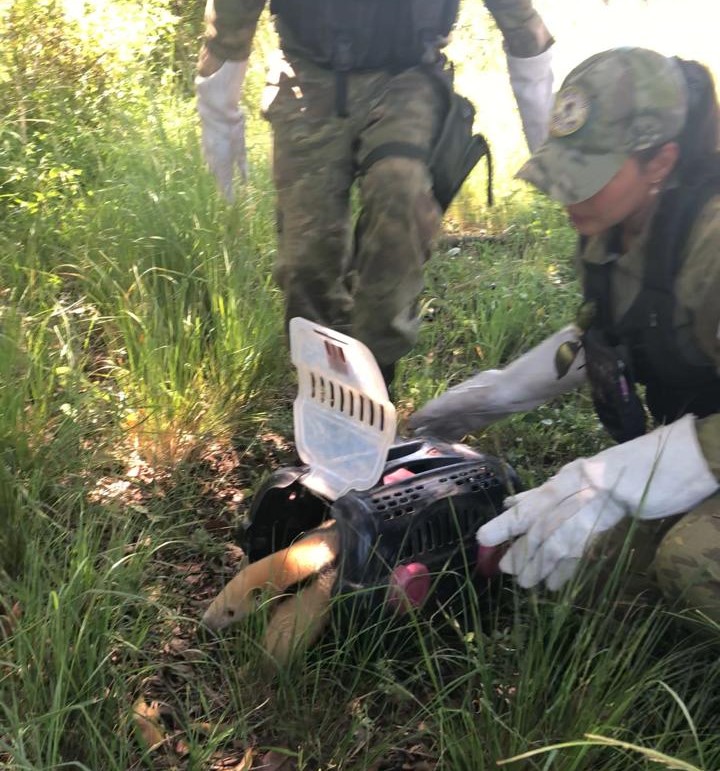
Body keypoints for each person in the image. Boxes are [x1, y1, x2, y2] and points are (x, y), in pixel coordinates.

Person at [408, 47, 720, 623]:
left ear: (660, 163)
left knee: (691, 561)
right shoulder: (622, 224)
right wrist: (501, 391)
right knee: (593, 575)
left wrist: (623, 477)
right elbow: (616, 324)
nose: (568, 195)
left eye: (591, 175)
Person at [195, 0, 555, 387]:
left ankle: (376, 381)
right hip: (307, 76)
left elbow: (522, 24)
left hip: (407, 78)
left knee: (399, 190)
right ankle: (322, 391)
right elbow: (230, 21)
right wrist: (219, 125)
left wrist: (550, 152)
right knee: (306, 259)